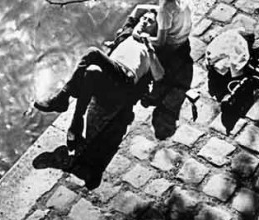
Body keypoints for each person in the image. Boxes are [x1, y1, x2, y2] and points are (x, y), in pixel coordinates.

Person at [34, 11, 164, 150]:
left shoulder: (152, 47)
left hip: (125, 82)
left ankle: (62, 98)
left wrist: (150, 49)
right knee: (92, 72)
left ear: (155, 29)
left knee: (93, 52)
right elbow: (138, 8)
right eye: (144, 18)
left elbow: (159, 76)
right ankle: (76, 124)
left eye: (150, 21)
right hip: (108, 83)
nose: (145, 21)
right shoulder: (127, 33)